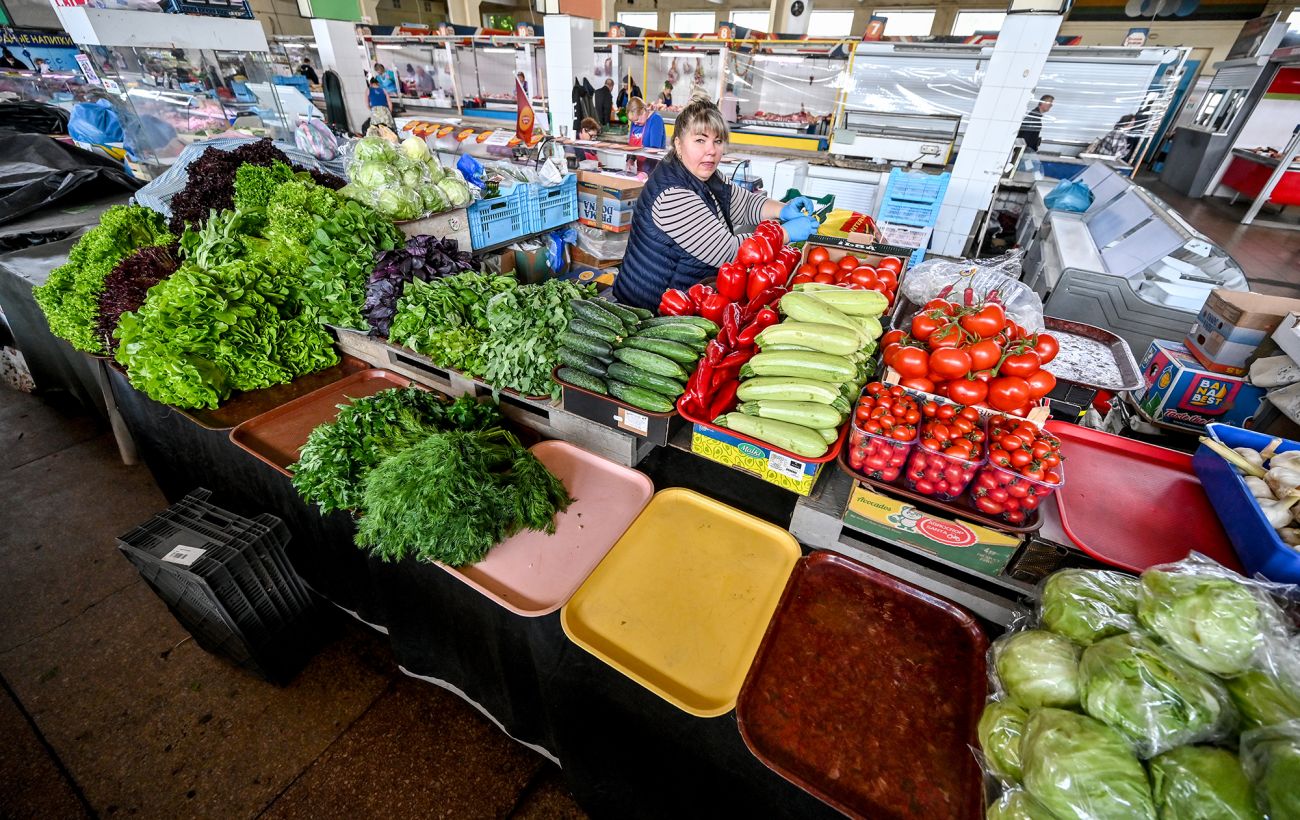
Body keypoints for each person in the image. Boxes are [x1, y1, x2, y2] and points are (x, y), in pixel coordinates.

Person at [612, 99, 820, 309]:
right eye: (700, 140)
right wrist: (784, 234)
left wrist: (782, 209)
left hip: (686, 296)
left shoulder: (703, 174)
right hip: (649, 309)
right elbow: (726, 252)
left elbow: (744, 203)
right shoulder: (671, 195)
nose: (711, 150)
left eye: (718, 141)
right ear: (678, 144)